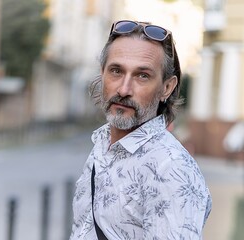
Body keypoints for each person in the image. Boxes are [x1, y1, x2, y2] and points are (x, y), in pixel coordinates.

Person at [70, 20, 212, 240]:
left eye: (142, 76)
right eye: (116, 71)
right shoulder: (104, 145)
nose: (124, 89)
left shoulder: (171, 169)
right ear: (102, 74)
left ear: (167, 87)